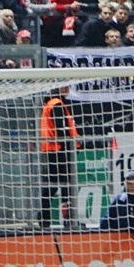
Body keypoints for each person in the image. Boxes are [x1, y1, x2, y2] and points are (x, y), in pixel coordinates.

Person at [38, 87, 79, 228]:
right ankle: (66, 219)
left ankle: (45, 219)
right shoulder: (56, 104)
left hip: (51, 150)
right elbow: (61, 128)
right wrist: (70, 146)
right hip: (58, 151)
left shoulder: (49, 104)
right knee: (64, 186)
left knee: (52, 186)